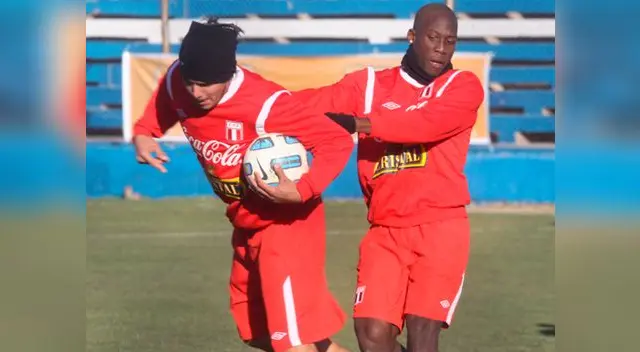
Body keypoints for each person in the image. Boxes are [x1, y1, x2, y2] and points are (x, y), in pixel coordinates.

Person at [132, 17, 353, 352]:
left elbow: (336, 141)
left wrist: (303, 188)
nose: (195, 92)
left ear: (228, 75)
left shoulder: (266, 103)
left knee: (290, 344)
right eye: (191, 82)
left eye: (205, 85)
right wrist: (145, 132)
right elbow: (166, 98)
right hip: (246, 223)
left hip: (286, 228)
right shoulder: (179, 79)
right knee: (258, 332)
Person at [293, 4, 484, 352]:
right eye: (433, 38)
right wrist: (260, 109)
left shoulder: (463, 86)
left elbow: (424, 124)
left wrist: (359, 124)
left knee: (422, 333)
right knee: (372, 335)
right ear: (412, 37)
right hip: (384, 230)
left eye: (450, 41)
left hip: (439, 227)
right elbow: (308, 104)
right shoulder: (367, 86)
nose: (442, 48)